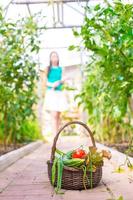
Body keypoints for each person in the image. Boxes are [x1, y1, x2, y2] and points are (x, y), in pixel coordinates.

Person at [44, 51, 68, 135]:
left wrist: (61, 81)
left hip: (59, 93)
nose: (54, 58)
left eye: (56, 56)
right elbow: (44, 81)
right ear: (50, 59)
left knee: (58, 115)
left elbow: (63, 80)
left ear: (58, 58)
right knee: (53, 115)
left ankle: (58, 135)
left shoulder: (61, 69)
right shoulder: (47, 68)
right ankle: (54, 136)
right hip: (51, 93)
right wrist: (52, 84)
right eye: (52, 57)